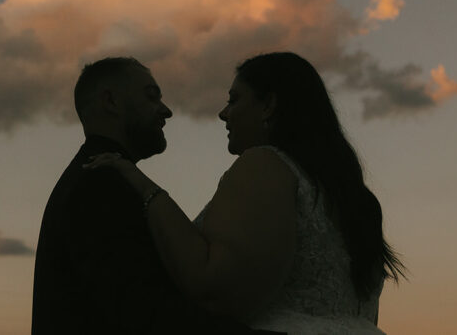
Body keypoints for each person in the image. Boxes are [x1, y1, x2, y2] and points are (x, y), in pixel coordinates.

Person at [86, 51, 404, 334]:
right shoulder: (361, 201)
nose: (224, 114)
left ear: (268, 105)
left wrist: (143, 186)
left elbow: (213, 287)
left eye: (234, 100)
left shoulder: (266, 165)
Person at [31, 56, 284, 335]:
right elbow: (141, 311)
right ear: (111, 102)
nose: (166, 111)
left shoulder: (107, 177)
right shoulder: (100, 184)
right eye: (152, 98)